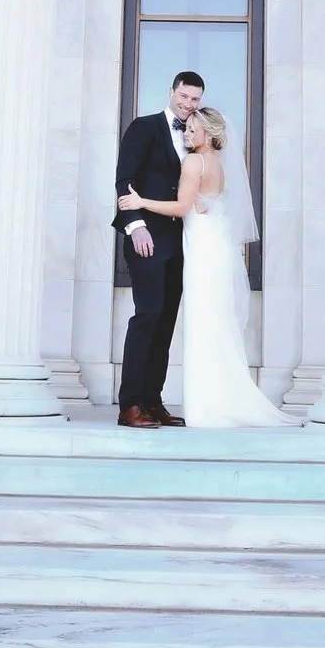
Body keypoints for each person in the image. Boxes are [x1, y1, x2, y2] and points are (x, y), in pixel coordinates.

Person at [118, 106, 298, 429]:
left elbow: (182, 205)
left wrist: (141, 202)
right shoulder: (216, 164)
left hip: (199, 249)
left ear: (209, 133)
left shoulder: (193, 161)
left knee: (201, 323)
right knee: (214, 321)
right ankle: (215, 399)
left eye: (192, 129)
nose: (187, 133)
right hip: (211, 244)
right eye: (185, 129)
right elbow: (204, 200)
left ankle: (203, 405)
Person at [113, 72, 202, 428]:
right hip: (147, 238)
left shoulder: (195, 138)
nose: (188, 104)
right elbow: (124, 180)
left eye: (195, 99)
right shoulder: (144, 127)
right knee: (147, 316)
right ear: (171, 91)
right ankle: (130, 404)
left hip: (180, 244)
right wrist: (136, 227)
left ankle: (153, 401)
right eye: (184, 96)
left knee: (166, 324)